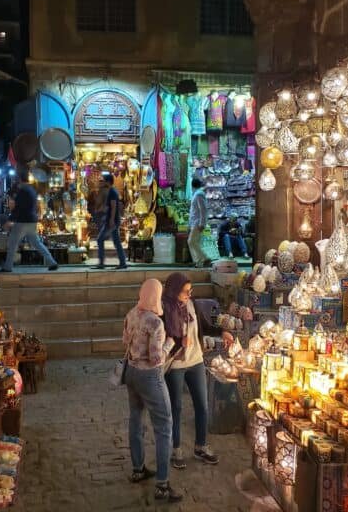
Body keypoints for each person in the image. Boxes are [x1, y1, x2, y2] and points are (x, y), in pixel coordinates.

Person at [162, 273, 234, 469]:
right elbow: (161, 341)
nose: (188, 294)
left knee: (202, 405)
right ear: (174, 290)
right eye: (185, 291)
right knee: (175, 408)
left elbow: (204, 326)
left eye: (190, 291)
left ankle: (201, 446)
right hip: (175, 365)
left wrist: (222, 332)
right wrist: (179, 342)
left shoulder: (192, 305)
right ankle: (175, 449)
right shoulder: (164, 310)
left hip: (195, 361)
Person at [123, 279, 182, 503]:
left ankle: (138, 469)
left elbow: (124, 340)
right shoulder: (155, 323)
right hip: (150, 377)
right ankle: (163, 485)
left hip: (131, 372)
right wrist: (169, 343)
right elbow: (156, 357)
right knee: (164, 427)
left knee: (136, 420)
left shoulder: (132, 314)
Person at [0, 169, 58, 272]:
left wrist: (9, 220)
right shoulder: (32, 190)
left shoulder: (23, 191)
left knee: (12, 243)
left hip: (23, 221)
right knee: (36, 242)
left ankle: (8, 266)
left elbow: (18, 208)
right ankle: (52, 262)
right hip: (31, 220)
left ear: (20, 180)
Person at [93, 173, 127, 270]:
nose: (102, 182)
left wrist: (111, 220)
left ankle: (102, 263)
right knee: (116, 242)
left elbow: (113, 206)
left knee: (100, 240)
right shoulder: (111, 191)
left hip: (111, 221)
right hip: (111, 220)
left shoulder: (112, 192)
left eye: (103, 180)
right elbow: (109, 207)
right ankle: (122, 262)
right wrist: (101, 210)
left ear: (108, 182)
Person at [188, 178, 209, 268]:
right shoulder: (197, 194)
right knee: (194, 242)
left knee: (191, 241)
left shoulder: (199, 195)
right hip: (195, 222)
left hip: (197, 223)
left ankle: (204, 258)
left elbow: (203, 210)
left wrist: (202, 223)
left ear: (192, 185)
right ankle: (199, 262)